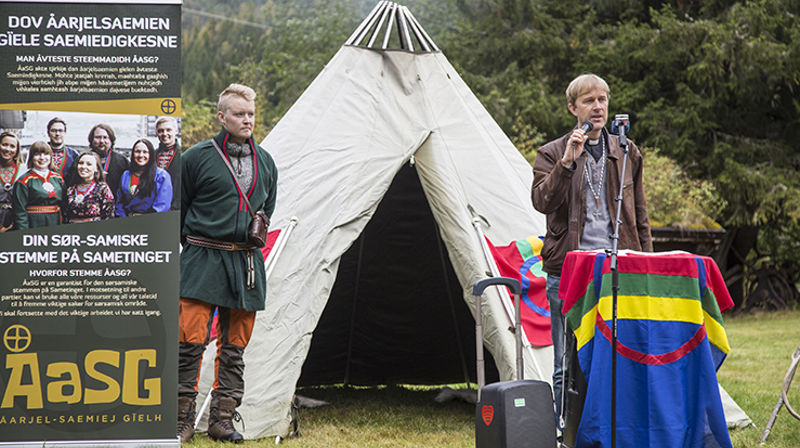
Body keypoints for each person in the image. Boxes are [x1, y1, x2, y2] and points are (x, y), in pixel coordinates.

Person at [531, 73, 652, 428]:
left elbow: (640, 216)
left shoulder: (628, 152)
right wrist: (567, 161)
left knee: (622, 354)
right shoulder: (551, 152)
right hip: (569, 271)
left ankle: (615, 427)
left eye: (603, 99)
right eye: (589, 101)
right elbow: (542, 201)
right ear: (573, 108)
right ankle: (565, 429)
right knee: (567, 360)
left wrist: (646, 263)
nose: (598, 107)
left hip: (620, 269)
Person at [177, 83, 278, 443]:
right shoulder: (195, 157)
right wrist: (194, 245)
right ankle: (181, 419)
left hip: (245, 263)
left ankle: (221, 419)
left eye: (250, 114)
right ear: (221, 117)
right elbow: (180, 209)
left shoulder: (266, 162)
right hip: (202, 256)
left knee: (234, 347)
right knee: (188, 341)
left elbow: (267, 210)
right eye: (239, 114)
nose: (247, 120)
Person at [13, 141, 65, 229]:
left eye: (46, 154)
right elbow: (20, 212)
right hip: (34, 224)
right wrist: (23, 233)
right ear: (31, 158)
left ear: (51, 156)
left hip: (55, 222)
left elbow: (65, 205)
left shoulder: (58, 179)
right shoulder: (23, 181)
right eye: (37, 154)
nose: (42, 158)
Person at [115, 139, 172, 216]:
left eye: (145, 152)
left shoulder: (162, 176)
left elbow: (162, 206)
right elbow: (119, 203)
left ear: (151, 154)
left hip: (151, 222)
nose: (141, 155)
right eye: (137, 151)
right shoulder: (126, 175)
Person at [63, 152, 115, 223]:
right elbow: (65, 215)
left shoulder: (102, 189)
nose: (83, 167)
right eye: (81, 163)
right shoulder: (71, 189)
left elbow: (109, 216)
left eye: (89, 164)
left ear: (96, 168)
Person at [88, 123, 128, 197]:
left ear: (111, 140)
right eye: (98, 137)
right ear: (91, 140)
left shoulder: (122, 161)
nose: (102, 141)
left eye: (105, 137)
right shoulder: (84, 160)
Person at [154, 116, 181, 210]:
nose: (165, 134)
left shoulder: (184, 155)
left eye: (168, 130)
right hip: (154, 208)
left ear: (176, 131)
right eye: (161, 131)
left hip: (176, 208)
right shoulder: (151, 155)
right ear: (156, 133)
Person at [0, 132, 23, 232]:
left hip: (16, 221)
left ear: (17, 150)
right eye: (4, 145)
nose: (8, 149)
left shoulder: (23, 170)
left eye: (12, 146)